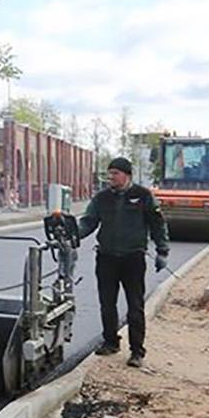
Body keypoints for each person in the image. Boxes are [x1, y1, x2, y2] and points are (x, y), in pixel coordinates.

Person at [75, 156, 170, 369]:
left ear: (126, 175)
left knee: (135, 306)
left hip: (133, 259)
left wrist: (162, 251)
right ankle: (110, 342)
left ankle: (137, 351)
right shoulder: (102, 198)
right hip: (107, 258)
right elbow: (89, 222)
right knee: (107, 303)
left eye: (115, 174)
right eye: (109, 174)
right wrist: (74, 236)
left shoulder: (143, 196)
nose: (111, 178)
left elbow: (157, 225)